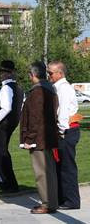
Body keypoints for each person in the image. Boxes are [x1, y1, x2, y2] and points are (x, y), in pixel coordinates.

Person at [21, 61, 59, 214]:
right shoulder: (50, 89)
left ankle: (47, 203)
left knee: (42, 172)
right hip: (48, 135)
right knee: (49, 171)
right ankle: (51, 202)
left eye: (30, 75)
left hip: (39, 138)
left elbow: (35, 118)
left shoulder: (38, 91)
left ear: (33, 75)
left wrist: (29, 139)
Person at [48, 60, 80, 210]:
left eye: (50, 73)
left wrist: (60, 131)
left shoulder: (64, 89)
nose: (49, 76)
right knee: (60, 166)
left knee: (67, 167)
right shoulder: (58, 87)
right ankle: (62, 198)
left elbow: (63, 113)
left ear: (60, 73)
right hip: (64, 131)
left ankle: (71, 201)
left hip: (66, 131)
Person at [0, 60, 22, 192]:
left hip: (2, 125)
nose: (1, 75)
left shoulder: (6, 88)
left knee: (1, 153)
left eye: (3, 72)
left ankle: (9, 183)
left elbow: (6, 108)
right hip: (10, 124)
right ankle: (9, 182)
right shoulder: (18, 88)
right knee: (3, 152)